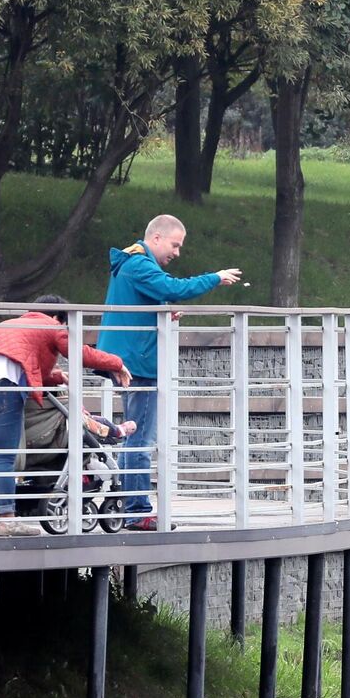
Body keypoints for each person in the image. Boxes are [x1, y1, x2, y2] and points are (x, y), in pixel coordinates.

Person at [97, 214, 242, 531]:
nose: (177, 253)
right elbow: (172, 287)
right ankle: (137, 510)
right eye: (175, 245)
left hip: (129, 359)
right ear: (157, 238)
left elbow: (154, 294)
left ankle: (130, 507)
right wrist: (214, 278)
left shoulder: (131, 263)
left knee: (134, 435)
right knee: (140, 439)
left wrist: (163, 308)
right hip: (139, 364)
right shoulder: (138, 264)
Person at [0, 295, 131, 536]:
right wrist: (117, 363)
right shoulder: (49, 325)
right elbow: (79, 353)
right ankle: (8, 520)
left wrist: (55, 376)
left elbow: (23, 364)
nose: (65, 330)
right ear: (56, 318)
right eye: (65, 325)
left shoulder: (10, 324)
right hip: (2, 388)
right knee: (3, 458)